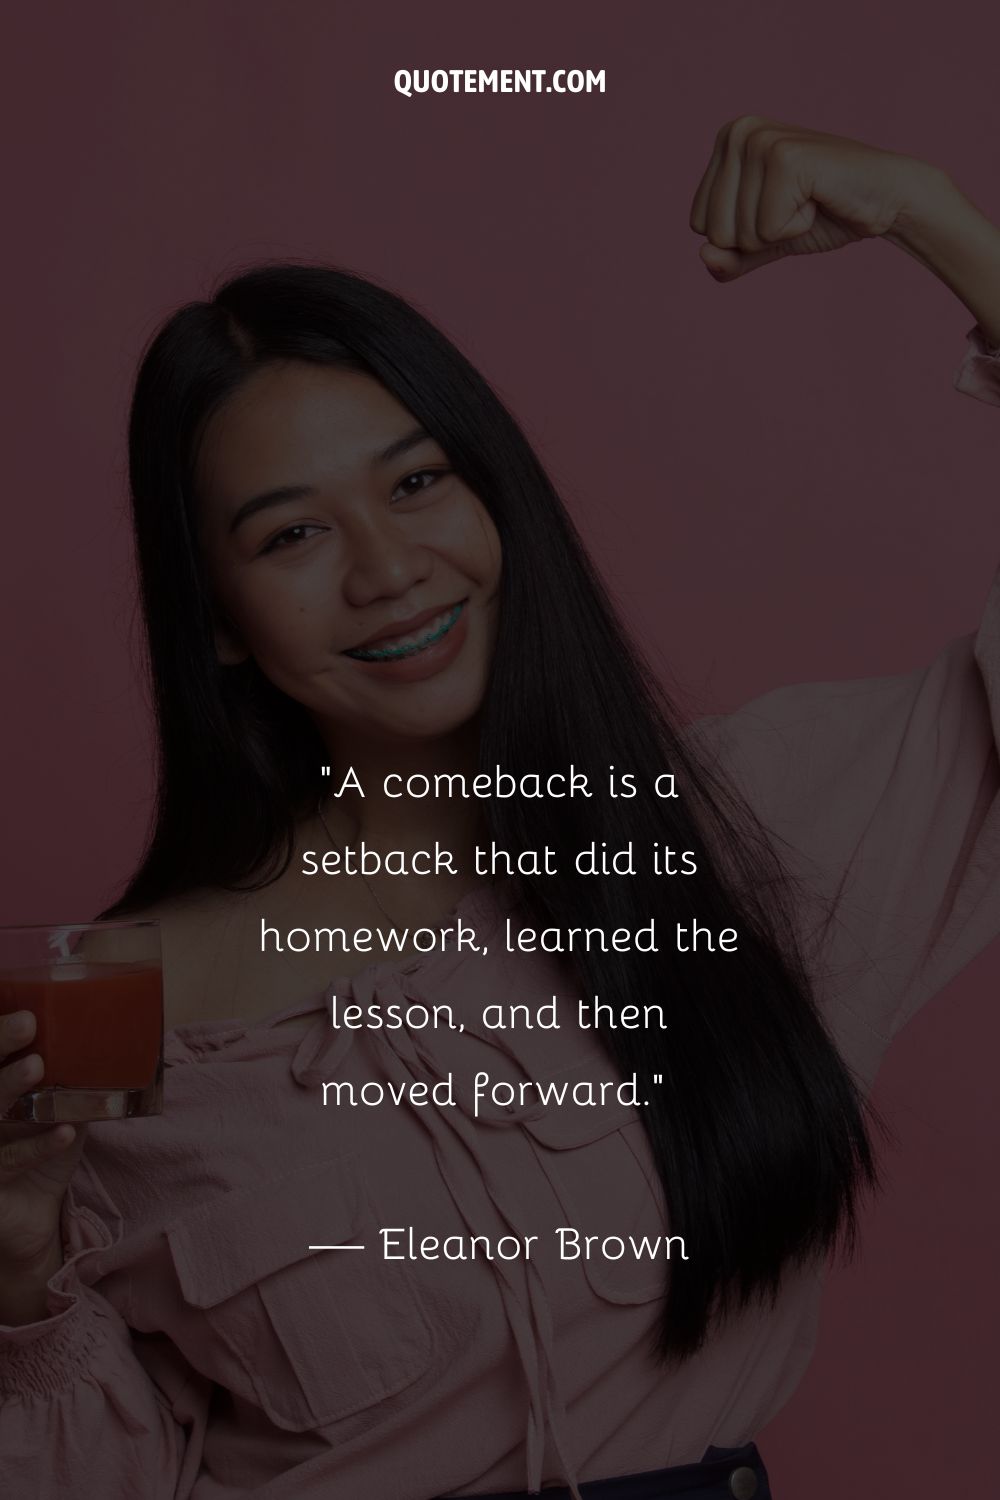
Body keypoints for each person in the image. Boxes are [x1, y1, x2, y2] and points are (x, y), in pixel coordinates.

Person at [1, 117, 999, 1500]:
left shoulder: (736, 838)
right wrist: (13, 1262)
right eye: (291, 534)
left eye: (418, 484)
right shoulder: (114, 1011)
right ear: (216, 619)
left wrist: (936, 217)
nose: (389, 570)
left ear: (498, 498)